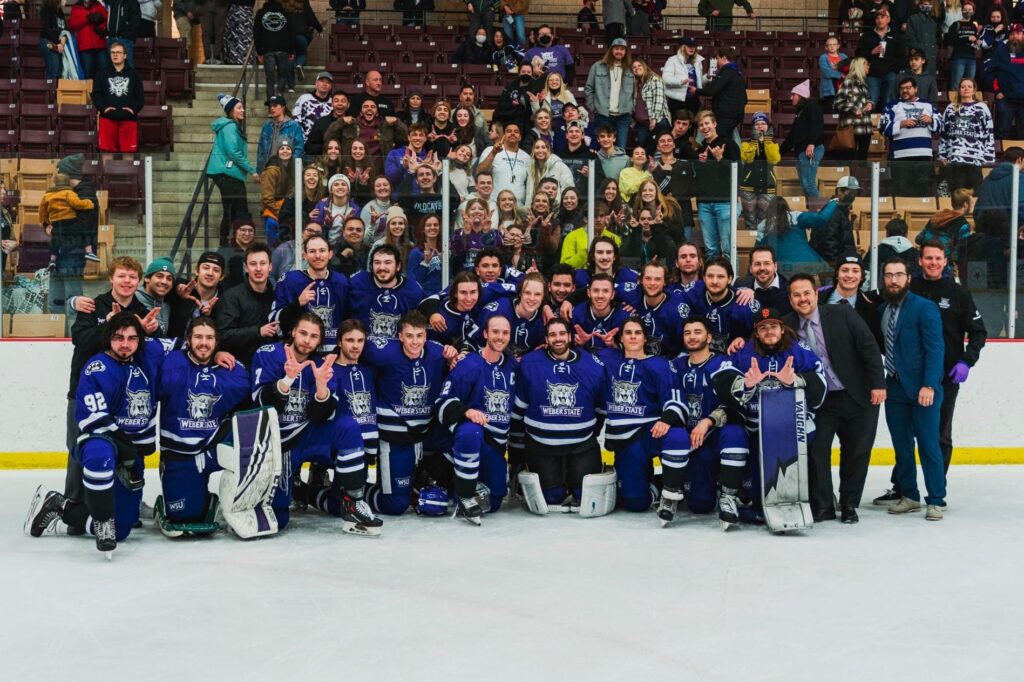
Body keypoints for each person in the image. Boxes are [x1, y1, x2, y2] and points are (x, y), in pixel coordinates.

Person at [25, 313, 166, 554]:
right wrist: (128, 450)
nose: (125, 344)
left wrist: (217, 353)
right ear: (108, 338)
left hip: (131, 453)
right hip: (100, 441)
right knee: (100, 453)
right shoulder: (97, 367)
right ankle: (101, 522)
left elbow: (193, 344)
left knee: (121, 529)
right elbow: (96, 421)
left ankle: (59, 506)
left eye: (132, 338)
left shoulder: (146, 357)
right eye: (118, 337)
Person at [252, 313, 381, 533]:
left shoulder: (322, 365)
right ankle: (293, 488)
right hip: (278, 442)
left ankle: (354, 501)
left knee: (348, 426)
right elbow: (261, 402)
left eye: (313, 336)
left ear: (320, 340)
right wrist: (287, 380)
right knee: (279, 519)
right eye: (303, 333)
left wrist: (322, 385)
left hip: (307, 434)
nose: (307, 340)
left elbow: (319, 415)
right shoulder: (269, 354)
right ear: (293, 332)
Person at [785, 273, 886, 523]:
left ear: (816, 294)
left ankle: (849, 504)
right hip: (821, 402)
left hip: (858, 395)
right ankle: (823, 506)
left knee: (856, 452)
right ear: (790, 299)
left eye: (807, 293)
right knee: (817, 451)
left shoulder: (842, 314)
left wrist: (878, 384)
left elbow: (869, 347)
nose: (803, 299)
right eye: (796, 295)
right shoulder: (787, 326)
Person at [712, 306, 827, 520]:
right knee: (752, 459)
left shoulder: (798, 350)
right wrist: (746, 384)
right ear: (756, 333)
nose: (769, 331)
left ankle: (809, 498)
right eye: (763, 328)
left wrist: (795, 381)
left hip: (792, 426)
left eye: (773, 326)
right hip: (755, 425)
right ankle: (752, 500)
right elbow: (721, 379)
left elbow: (820, 383)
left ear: (782, 329)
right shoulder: (745, 351)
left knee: (808, 448)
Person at [152, 317, 250, 536]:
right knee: (184, 516)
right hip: (180, 451)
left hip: (215, 443)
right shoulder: (170, 363)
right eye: (198, 337)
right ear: (188, 339)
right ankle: (199, 498)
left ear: (217, 342)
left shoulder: (231, 369)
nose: (203, 343)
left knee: (253, 442)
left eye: (209, 338)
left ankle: (233, 499)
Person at [361, 311, 458, 514]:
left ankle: (423, 477)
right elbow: (353, 347)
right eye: (410, 336)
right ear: (400, 336)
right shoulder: (383, 352)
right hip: (395, 436)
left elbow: (458, 358)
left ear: (426, 335)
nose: (415, 342)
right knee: (395, 505)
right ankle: (352, 493)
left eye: (420, 335)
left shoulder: (437, 352)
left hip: (425, 434)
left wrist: (455, 356)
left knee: (463, 440)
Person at [509, 317, 609, 508]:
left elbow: (601, 409)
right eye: (553, 335)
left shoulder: (592, 365)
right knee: (552, 498)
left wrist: (588, 434)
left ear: (570, 336)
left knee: (585, 496)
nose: (558, 339)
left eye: (562, 333)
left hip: (581, 445)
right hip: (540, 445)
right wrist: (516, 452)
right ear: (546, 339)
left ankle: (572, 478)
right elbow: (518, 411)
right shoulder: (530, 363)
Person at [875, 259, 947, 520]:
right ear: (883, 279)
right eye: (888, 275)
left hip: (922, 389)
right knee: (902, 446)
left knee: (928, 445)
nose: (893, 280)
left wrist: (929, 384)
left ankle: (936, 499)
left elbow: (935, 348)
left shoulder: (924, 308)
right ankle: (910, 495)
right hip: (894, 387)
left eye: (898, 275)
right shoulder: (883, 309)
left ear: (908, 278)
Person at [662, 317, 750, 526]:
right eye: (688, 333)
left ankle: (728, 495)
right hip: (690, 442)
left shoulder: (722, 364)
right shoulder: (675, 366)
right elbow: (670, 400)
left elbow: (736, 404)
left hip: (713, 436)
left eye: (697, 332)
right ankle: (671, 488)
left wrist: (708, 421)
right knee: (700, 505)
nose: (692, 337)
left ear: (709, 337)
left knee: (735, 432)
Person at [909, 242, 987, 473]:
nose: (933, 263)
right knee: (907, 434)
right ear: (920, 261)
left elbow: (978, 332)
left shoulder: (959, 293)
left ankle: (937, 487)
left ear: (945, 262)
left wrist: (966, 361)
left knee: (940, 432)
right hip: (912, 373)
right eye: (928, 258)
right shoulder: (909, 288)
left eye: (938, 258)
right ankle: (902, 487)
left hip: (946, 376)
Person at [601, 317, 689, 512]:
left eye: (638, 333)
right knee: (635, 502)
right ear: (620, 338)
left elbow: (675, 398)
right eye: (628, 333)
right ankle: (655, 485)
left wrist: (667, 419)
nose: (633, 337)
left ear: (645, 339)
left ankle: (670, 490)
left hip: (652, 431)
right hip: (625, 439)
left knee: (677, 435)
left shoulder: (660, 364)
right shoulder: (608, 361)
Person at [435, 315, 516, 523]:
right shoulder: (469, 364)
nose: (500, 337)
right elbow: (442, 402)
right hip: (471, 438)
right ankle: (464, 495)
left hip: (496, 444)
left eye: (505, 333)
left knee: (495, 501)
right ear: (486, 334)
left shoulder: (511, 365)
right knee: (471, 430)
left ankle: (459, 485)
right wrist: (465, 411)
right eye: (495, 332)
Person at [270, 234, 348, 351]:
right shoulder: (289, 280)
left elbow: (349, 320)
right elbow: (275, 325)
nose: (317, 256)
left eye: (322, 251)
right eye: (312, 251)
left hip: (334, 354)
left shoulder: (341, 282)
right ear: (304, 255)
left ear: (330, 254)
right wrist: (297, 304)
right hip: (301, 353)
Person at [207, 95, 259, 246]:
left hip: (226, 172)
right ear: (230, 111)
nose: (243, 110)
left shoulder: (229, 126)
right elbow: (233, 152)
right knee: (241, 211)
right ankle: (240, 245)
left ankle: (226, 243)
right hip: (228, 172)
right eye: (239, 108)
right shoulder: (230, 126)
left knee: (230, 211)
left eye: (243, 107)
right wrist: (252, 170)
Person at [215, 242, 278, 364]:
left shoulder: (277, 295)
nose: (258, 268)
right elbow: (223, 335)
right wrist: (258, 332)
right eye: (253, 264)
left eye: (263, 263)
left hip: (270, 365)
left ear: (270, 267)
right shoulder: (231, 297)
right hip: (239, 366)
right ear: (246, 267)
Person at [348, 242, 425, 338]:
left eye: (388, 263)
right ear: (371, 266)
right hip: (363, 349)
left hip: (398, 351)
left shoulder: (412, 290)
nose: (382, 267)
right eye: (377, 262)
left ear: (398, 266)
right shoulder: (357, 283)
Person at [881, 76, 940, 197]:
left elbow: (941, 126)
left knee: (922, 190)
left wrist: (931, 120)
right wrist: (901, 124)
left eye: (908, 87)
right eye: (902, 88)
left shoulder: (927, 105)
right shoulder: (892, 105)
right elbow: (882, 128)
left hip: (923, 155)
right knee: (901, 190)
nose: (905, 90)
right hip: (900, 156)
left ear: (916, 89)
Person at [694, 110, 740, 259]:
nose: (704, 127)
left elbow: (739, 173)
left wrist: (720, 159)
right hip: (704, 204)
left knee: (728, 249)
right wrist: (700, 164)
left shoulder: (730, 144)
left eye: (707, 123)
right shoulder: (700, 150)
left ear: (714, 124)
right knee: (711, 251)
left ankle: (731, 281)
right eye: (701, 125)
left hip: (725, 202)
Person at [692, 257, 760, 354]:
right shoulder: (694, 294)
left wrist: (746, 340)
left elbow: (763, 335)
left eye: (720, 277)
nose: (714, 281)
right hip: (701, 359)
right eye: (710, 276)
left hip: (733, 361)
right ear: (704, 278)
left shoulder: (745, 304)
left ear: (730, 279)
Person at [939, 77, 995, 194]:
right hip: (955, 157)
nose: (966, 89)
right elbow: (944, 133)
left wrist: (988, 155)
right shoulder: (951, 108)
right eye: (963, 86)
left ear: (974, 90)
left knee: (975, 194)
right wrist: (942, 155)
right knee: (958, 194)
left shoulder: (982, 108)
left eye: (969, 86)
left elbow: (988, 133)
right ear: (959, 90)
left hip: (975, 158)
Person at [92, 41, 144, 162]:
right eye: (113, 53)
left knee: (128, 154)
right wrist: (103, 108)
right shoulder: (101, 73)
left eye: (118, 52)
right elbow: (96, 95)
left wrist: (133, 110)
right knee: (106, 154)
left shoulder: (134, 74)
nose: (115, 55)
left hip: (128, 120)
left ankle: (128, 180)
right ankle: (106, 180)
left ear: (125, 55)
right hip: (107, 119)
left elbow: (140, 97)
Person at [40, 173, 96, 273]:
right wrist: (89, 203)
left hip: (56, 222)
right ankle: (89, 252)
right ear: (67, 183)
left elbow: (42, 211)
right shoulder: (68, 193)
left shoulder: (47, 195)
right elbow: (77, 204)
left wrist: (46, 222)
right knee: (83, 231)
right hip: (69, 220)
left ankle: (52, 260)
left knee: (55, 240)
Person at [585, 39, 635, 149]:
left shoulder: (631, 68)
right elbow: (589, 88)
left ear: (626, 52)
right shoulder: (597, 66)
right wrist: (594, 108)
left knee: (621, 148)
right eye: (616, 48)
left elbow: (636, 91)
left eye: (622, 49)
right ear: (611, 50)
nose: (619, 51)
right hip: (603, 115)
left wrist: (632, 107)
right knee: (602, 149)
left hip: (623, 116)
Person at [690, 47, 746, 142]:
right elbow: (745, 98)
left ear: (723, 58)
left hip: (725, 115)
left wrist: (696, 91)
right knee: (727, 140)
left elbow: (712, 90)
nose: (716, 62)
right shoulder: (737, 72)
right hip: (735, 115)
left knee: (720, 141)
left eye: (717, 58)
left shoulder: (726, 71)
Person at [781, 81, 825, 197]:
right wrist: (779, 153)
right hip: (802, 151)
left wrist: (811, 143)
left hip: (810, 150)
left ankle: (817, 211)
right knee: (805, 184)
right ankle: (812, 211)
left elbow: (816, 125)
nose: (791, 98)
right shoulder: (800, 111)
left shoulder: (812, 106)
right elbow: (792, 136)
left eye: (793, 95)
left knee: (809, 184)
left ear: (800, 95)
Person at [856, 7, 905, 109]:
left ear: (888, 19)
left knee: (888, 102)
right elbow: (858, 54)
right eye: (877, 18)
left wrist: (894, 71)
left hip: (890, 73)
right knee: (871, 102)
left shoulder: (896, 35)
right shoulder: (867, 35)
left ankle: (887, 123)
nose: (880, 20)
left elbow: (901, 56)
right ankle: (870, 124)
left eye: (882, 17)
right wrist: (871, 52)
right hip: (872, 74)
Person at [739, 112, 780, 232]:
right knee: (750, 220)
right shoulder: (746, 144)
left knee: (765, 221)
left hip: (768, 186)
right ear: (753, 127)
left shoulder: (773, 144)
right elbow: (747, 159)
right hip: (748, 187)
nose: (760, 126)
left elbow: (774, 159)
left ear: (768, 126)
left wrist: (766, 141)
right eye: (757, 124)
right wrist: (754, 142)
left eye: (763, 123)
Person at [806, 176, 860, 265]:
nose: (852, 195)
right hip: (830, 267)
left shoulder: (842, 210)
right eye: (849, 191)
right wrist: (836, 265)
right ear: (839, 191)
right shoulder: (832, 210)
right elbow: (828, 242)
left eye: (855, 192)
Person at [917, 189, 973, 272]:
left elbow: (918, 239)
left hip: (926, 266)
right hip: (945, 269)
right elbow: (962, 253)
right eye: (971, 203)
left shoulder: (936, 217)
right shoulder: (963, 225)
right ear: (965, 204)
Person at [477, 121, 532, 206]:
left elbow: (530, 184)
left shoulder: (527, 157)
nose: (512, 133)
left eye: (516, 132)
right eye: (509, 131)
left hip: (519, 206)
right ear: (504, 135)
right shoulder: (490, 150)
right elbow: (479, 172)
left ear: (520, 137)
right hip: (494, 203)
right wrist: (493, 153)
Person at [833, 56, 875, 162]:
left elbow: (867, 99)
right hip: (852, 127)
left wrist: (870, 104)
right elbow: (837, 103)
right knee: (850, 159)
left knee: (862, 159)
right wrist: (854, 109)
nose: (869, 66)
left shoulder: (864, 84)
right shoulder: (848, 82)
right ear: (860, 66)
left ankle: (860, 178)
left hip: (865, 127)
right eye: (866, 64)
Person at [973, 145, 1024, 228]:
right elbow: (1022, 208)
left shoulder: (987, 179)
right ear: (1019, 160)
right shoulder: (1019, 178)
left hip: (985, 232)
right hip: (1009, 235)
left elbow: (978, 208)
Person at [259, 138, 295, 246]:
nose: (285, 151)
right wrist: (283, 212)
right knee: (274, 246)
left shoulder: (292, 167)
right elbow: (266, 198)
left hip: (284, 212)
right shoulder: (272, 170)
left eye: (288, 148)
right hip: (273, 213)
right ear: (277, 151)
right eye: (282, 148)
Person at [735, 246, 791, 313]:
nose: (762, 268)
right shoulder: (741, 285)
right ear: (750, 268)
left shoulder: (788, 287)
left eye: (767, 263)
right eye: (757, 264)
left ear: (775, 266)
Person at [281, 0, 322, 91]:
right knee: (302, 54)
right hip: (301, 35)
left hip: (287, 37)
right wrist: (320, 29)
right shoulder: (303, 7)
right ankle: (299, 64)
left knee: (290, 57)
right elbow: (312, 18)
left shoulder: (283, 8)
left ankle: (291, 86)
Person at [256, 95, 304, 171]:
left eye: (275, 105)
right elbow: (261, 150)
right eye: (270, 106)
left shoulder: (294, 125)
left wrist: (290, 166)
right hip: (269, 168)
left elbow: (299, 149)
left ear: (283, 107)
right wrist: (259, 170)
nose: (272, 108)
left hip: (287, 168)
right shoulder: (267, 126)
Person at [631, 59, 670, 150]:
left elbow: (658, 99)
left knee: (659, 149)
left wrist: (654, 119)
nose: (637, 68)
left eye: (639, 65)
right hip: (642, 124)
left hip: (658, 121)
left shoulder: (654, 79)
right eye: (634, 67)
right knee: (642, 149)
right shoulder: (636, 83)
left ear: (644, 66)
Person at [662, 37, 706, 118]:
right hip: (678, 100)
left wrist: (707, 76)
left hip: (693, 99)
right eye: (689, 46)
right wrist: (681, 82)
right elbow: (665, 79)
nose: (692, 48)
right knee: (678, 126)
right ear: (683, 47)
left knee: (692, 126)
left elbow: (698, 81)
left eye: (694, 46)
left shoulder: (697, 61)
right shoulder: (672, 60)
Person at [69, 0, 108, 79]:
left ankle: (102, 91)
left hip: (100, 45)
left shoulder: (98, 5)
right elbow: (72, 24)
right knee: (88, 73)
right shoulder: (76, 7)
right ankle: (89, 91)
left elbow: (107, 18)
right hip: (85, 47)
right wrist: (87, 19)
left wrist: (102, 29)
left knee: (104, 72)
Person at [305, 92, 350, 158]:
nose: (340, 103)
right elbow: (309, 147)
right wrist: (328, 148)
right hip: (325, 162)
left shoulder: (353, 123)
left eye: (343, 101)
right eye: (336, 101)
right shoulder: (321, 122)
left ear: (348, 105)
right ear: (332, 104)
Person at [216, 217, 256, 288]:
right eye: (243, 230)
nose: (247, 234)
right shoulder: (224, 250)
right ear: (235, 232)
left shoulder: (258, 250)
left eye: (250, 230)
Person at [947, 1, 981, 87]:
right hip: (958, 57)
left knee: (970, 83)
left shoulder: (973, 26)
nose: (967, 12)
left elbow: (976, 40)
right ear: (961, 11)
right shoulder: (956, 24)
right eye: (965, 9)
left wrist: (977, 42)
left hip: (971, 57)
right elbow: (951, 40)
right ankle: (954, 100)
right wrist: (967, 38)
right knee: (956, 83)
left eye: (970, 10)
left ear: (973, 11)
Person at [292, 71, 334, 139]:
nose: (324, 84)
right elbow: (296, 119)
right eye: (322, 81)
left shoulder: (333, 102)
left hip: (326, 143)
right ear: (316, 83)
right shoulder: (304, 98)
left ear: (331, 86)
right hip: (305, 141)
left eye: (328, 82)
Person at [40, 0, 71, 79]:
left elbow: (65, 28)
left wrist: (64, 37)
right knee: (53, 68)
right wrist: (58, 42)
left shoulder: (60, 12)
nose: (65, 1)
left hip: (58, 43)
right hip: (48, 41)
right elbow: (47, 29)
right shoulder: (46, 9)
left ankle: (56, 90)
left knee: (60, 70)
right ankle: (50, 90)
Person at [818, 36, 848, 111]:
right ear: (826, 47)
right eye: (829, 45)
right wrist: (840, 74)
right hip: (829, 90)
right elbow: (826, 72)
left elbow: (848, 69)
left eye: (834, 44)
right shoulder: (823, 57)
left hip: (843, 89)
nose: (832, 46)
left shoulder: (843, 56)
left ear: (838, 46)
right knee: (830, 113)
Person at [223, 0, 255, 64]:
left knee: (232, 37)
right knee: (246, 37)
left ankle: (233, 59)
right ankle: (245, 59)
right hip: (246, 10)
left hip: (235, 9)